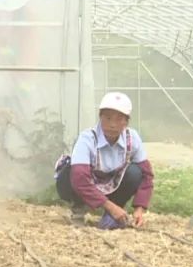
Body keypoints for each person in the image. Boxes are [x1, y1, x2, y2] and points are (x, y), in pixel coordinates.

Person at [55, 92, 154, 229]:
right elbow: (80, 179)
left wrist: (139, 208)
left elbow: (146, 176)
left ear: (126, 122)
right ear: (100, 117)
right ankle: (78, 208)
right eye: (108, 118)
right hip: (86, 183)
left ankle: (112, 212)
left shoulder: (132, 138)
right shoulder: (87, 138)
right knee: (71, 172)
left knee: (135, 173)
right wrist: (111, 207)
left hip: (112, 184)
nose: (112, 125)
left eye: (119, 119)